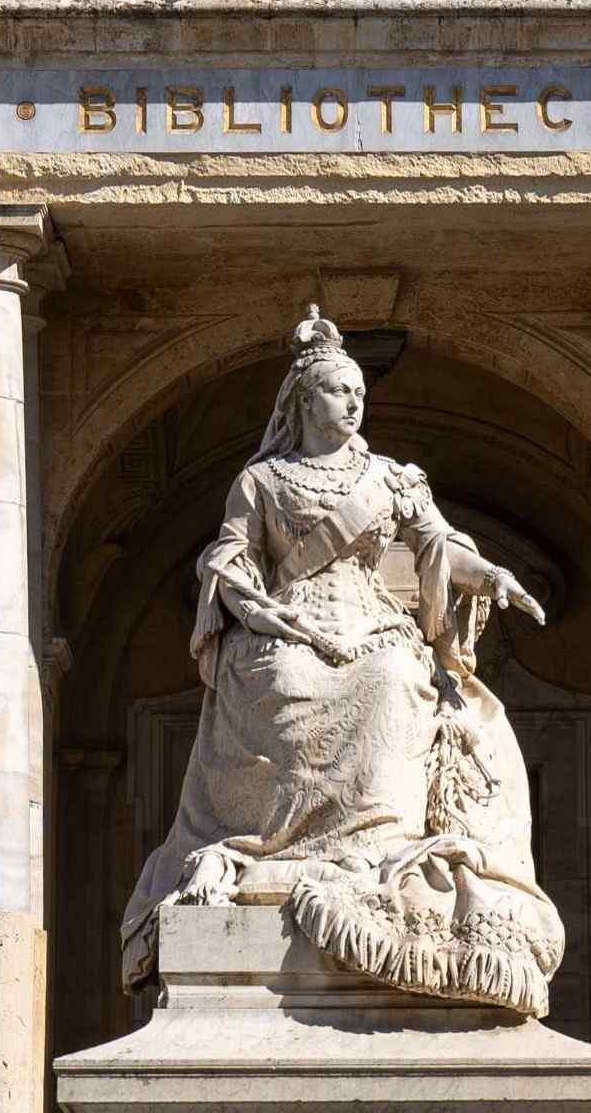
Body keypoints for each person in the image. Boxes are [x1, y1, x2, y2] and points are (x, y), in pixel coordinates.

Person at [120, 308, 565, 1018]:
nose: (353, 402)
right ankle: (278, 846)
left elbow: (437, 545)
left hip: (373, 624)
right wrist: (251, 600)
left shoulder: (391, 477)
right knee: (282, 677)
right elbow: (232, 554)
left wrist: (491, 576)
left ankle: (378, 847)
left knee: (393, 681)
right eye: (337, 390)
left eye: (359, 390)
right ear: (304, 402)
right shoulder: (262, 482)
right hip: (290, 621)